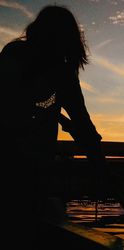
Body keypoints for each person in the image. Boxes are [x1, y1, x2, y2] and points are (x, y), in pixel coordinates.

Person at [0, 5, 105, 248]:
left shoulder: (63, 74)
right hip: (12, 174)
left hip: (35, 178)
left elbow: (83, 125)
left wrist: (100, 165)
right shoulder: (14, 58)